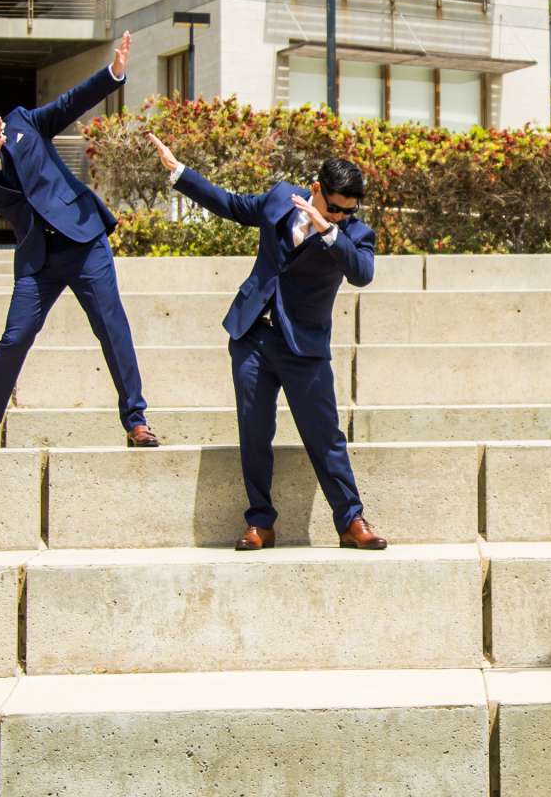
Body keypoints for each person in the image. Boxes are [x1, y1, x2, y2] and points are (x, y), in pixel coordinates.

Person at [146, 134, 386, 552]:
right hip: (252, 335)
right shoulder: (279, 199)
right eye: (335, 207)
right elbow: (231, 204)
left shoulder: (353, 234)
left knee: (324, 435)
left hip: (304, 348)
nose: (344, 216)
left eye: (351, 211)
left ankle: (350, 521)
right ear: (315, 188)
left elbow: (362, 273)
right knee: (254, 432)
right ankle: (261, 523)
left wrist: (328, 228)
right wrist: (179, 172)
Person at [0, 32, 159, 450]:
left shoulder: (24, 122)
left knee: (112, 329)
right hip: (38, 260)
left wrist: (114, 73)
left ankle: (136, 420)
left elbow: (70, 103)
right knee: (14, 338)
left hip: (83, 241)